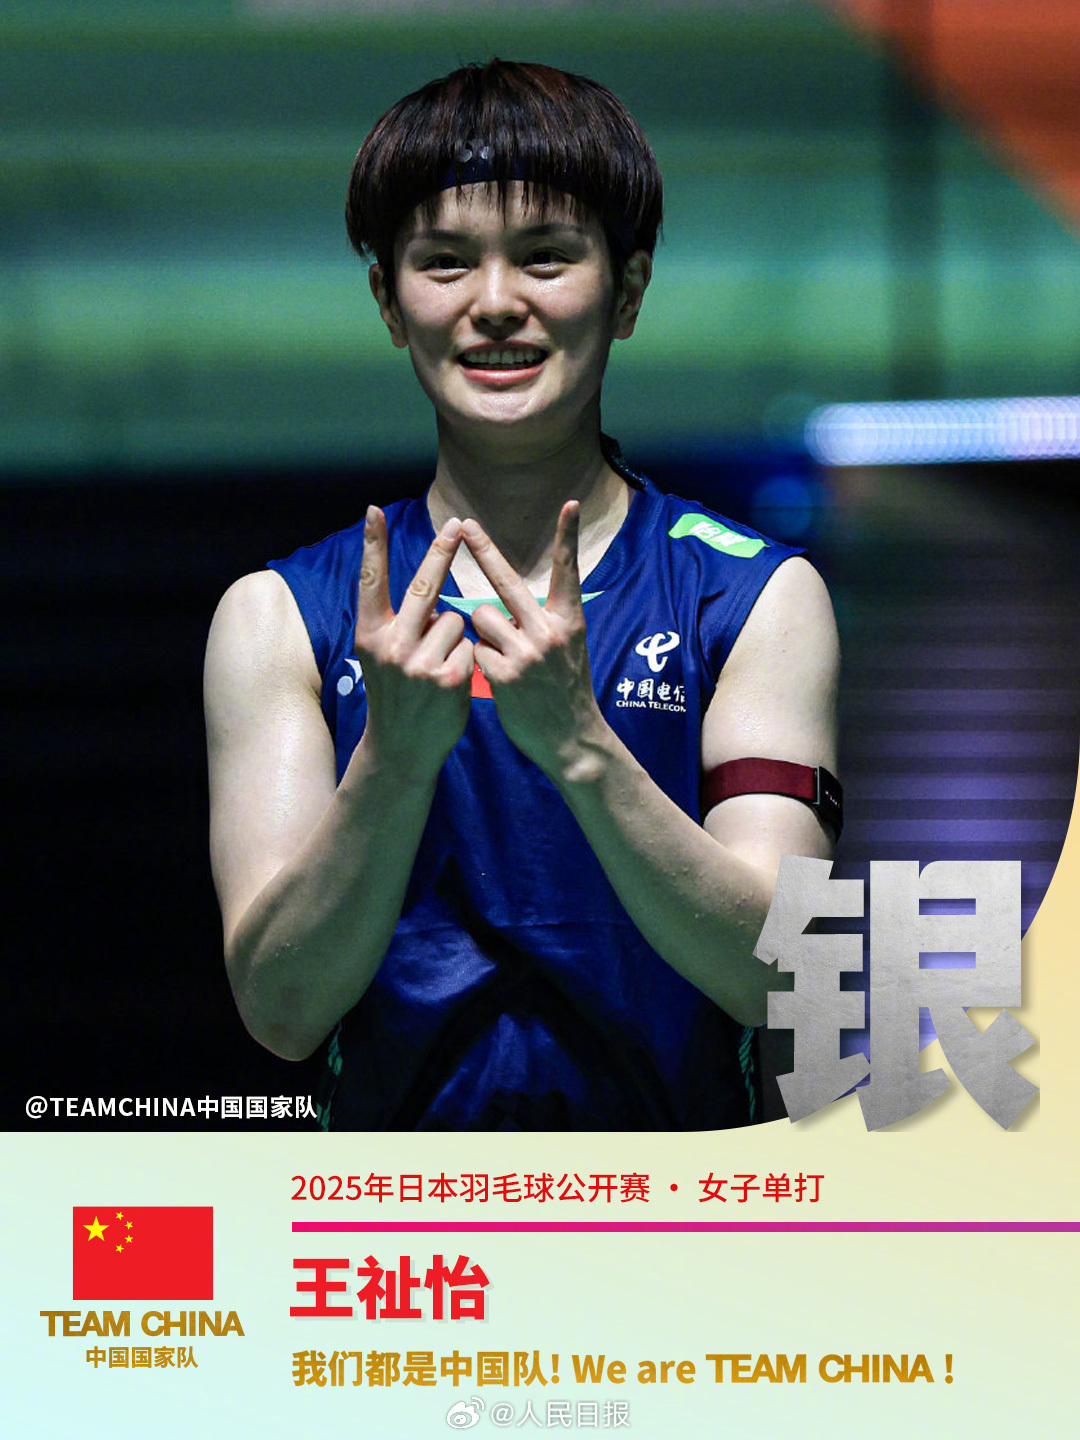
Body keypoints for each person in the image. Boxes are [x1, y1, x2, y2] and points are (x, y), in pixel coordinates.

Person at [204, 59, 840, 1130]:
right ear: (389, 301)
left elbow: (786, 978)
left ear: (627, 291)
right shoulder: (278, 617)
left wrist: (580, 745)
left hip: (677, 1220)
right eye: (444, 263)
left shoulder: (754, 597)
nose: (496, 304)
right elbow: (281, 1009)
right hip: (400, 1224)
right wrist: (392, 764)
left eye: (546, 256)